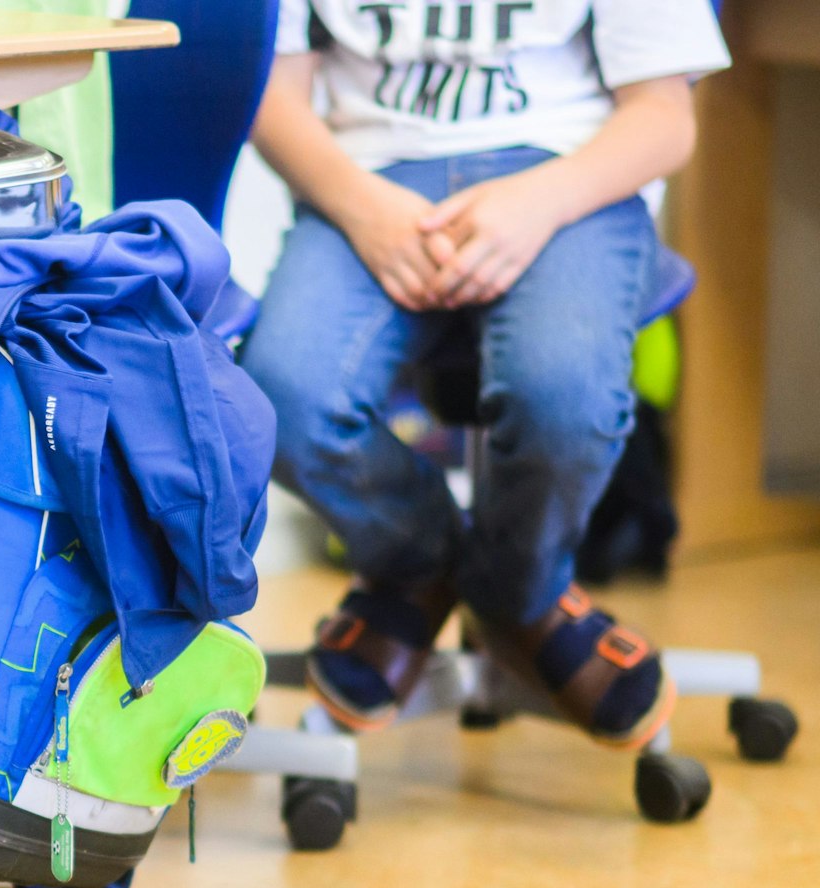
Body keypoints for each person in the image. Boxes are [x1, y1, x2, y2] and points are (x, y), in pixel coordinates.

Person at [239, 0, 729, 747]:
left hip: (569, 175)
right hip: (367, 180)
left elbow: (664, 119)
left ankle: (516, 595)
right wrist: (364, 211)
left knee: (563, 401)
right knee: (280, 400)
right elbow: (273, 97)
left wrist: (539, 203)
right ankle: (424, 566)